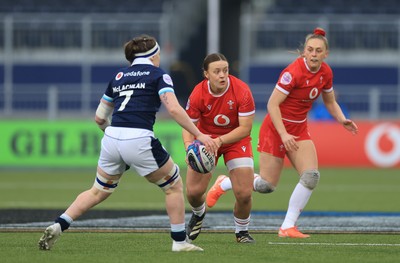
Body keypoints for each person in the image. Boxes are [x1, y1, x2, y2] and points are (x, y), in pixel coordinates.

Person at [38, 34, 218, 252]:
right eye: (159, 53)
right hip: (139, 137)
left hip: (112, 137)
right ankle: (179, 242)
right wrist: (199, 134)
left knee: (98, 191)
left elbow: (99, 118)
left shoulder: (119, 76)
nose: (160, 57)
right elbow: (173, 108)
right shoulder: (159, 75)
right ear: (153, 55)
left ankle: (59, 223)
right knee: (173, 186)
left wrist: (114, 137)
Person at [206, 28, 358, 238]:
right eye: (310, 49)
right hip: (275, 130)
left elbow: (329, 101)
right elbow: (272, 104)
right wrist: (284, 134)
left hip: (298, 129)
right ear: (304, 52)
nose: (313, 54)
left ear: (326, 54)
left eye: (318, 51)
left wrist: (342, 120)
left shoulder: (326, 72)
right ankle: (224, 182)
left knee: (311, 176)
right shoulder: (292, 72)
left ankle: (287, 226)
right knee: (267, 185)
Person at [183, 53, 256, 243]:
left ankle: (242, 232)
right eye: (217, 71)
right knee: (193, 193)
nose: (222, 75)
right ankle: (199, 214)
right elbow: (188, 126)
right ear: (206, 74)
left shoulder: (242, 90)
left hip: (235, 140)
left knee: (244, 193)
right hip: (206, 141)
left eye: (225, 70)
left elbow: (245, 128)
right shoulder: (198, 93)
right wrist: (189, 147)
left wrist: (220, 140)